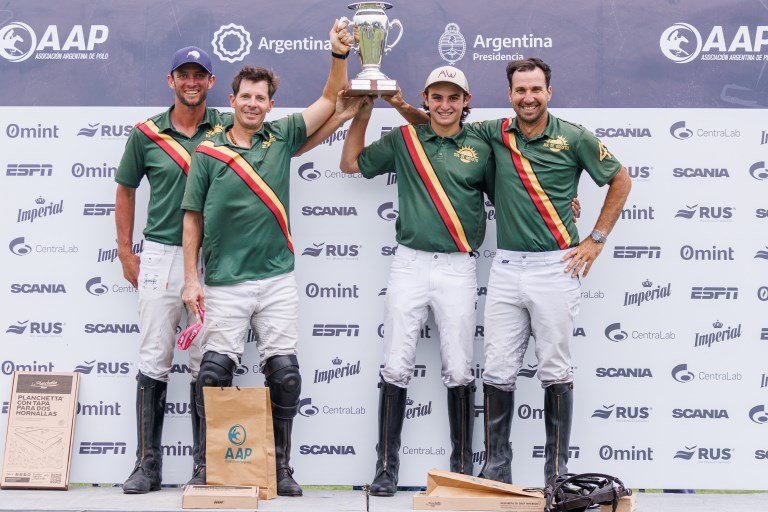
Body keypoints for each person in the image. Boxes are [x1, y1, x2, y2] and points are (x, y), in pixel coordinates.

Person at [180, 21, 353, 496]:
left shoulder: (281, 137)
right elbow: (191, 219)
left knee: (286, 375)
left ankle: (279, 467)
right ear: (232, 101)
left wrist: (338, 55)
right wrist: (191, 279)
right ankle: (207, 464)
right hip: (224, 281)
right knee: (213, 373)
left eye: (262, 98)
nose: (253, 104)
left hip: (276, 279)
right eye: (246, 96)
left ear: (270, 105)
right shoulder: (208, 153)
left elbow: (329, 98)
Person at [469, 58, 631, 485]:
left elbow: (620, 179)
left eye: (535, 89)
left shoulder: (574, 137)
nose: (528, 97)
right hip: (505, 265)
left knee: (555, 369)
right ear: (509, 95)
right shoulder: (494, 131)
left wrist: (596, 237)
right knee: (498, 369)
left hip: (555, 266)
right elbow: (441, 124)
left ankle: (556, 472)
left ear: (549, 92)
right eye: (520, 90)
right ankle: (496, 469)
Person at [338, 66, 494, 496]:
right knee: (395, 364)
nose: (445, 105)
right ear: (426, 99)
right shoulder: (406, 140)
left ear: (467, 101)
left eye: (454, 97)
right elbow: (350, 163)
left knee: (460, 367)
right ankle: (386, 469)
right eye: (438, 97)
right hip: (409, 263)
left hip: (458, 266)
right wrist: (364, 113)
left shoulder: (482, 144)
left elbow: (513, 193)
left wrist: (564, 200)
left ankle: (460, 470)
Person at [114, 46, 230, 494]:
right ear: (171, 80)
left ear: (211, 82)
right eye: (184, 74)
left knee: (208, 362)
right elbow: (125, 190)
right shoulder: (146, 134)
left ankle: (205, 467)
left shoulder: (228, 127)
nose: (192, 82)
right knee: (154, 358)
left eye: (200, 75)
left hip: (215, 257)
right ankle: (147, 465)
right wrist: (126, 252)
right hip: (162, 255)